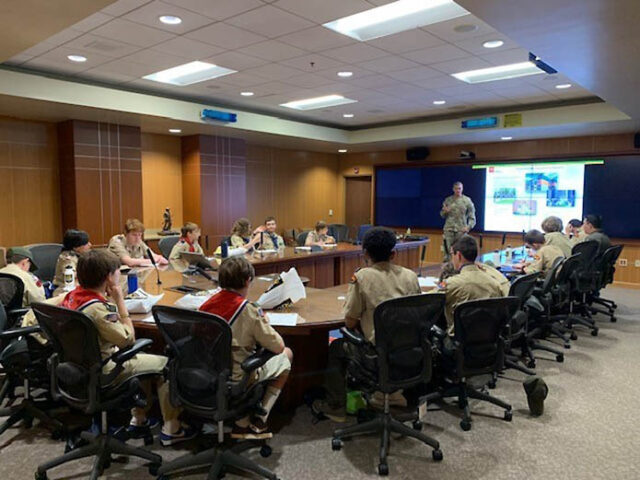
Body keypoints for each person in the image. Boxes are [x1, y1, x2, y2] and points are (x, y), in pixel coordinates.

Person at [26, 249, 196, 445]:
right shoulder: (97, 309)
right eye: (118, 271)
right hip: (103, 371)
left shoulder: (73, 297)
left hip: (76, 368)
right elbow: (127, 339)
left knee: (143, 356)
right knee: (166, 363)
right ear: (109, 277)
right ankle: (171, 428)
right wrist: (120, 302)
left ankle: (139, 418)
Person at [311, 227, 421, 422]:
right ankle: (392, 394)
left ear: (365, 254)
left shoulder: (362, 277)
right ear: (394, 253)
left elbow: (350, 321)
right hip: (410, 352)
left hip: (376, 356)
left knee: (337, 347)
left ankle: (335, 406)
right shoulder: (410, 276)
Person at [199, 256, 292, 439]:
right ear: (248, 280)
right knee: (287, 354)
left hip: (207, 372)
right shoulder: (247, 309)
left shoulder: (206, 305)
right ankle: (260, 419)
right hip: (238, 376)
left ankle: (242, 421)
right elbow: (278, 346)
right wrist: (263, 322)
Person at [438, 235, 504, 333]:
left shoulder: (449, 283)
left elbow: (431, 298)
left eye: (452, 254)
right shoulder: (495, 283)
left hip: (457, 342)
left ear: (459, 255)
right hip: (488, 338)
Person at [440, 181, 476, 262]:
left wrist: (468, 227)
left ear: (462, 189)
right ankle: (448, 269)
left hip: (461, 230)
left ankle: (460, 269)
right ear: (453, 189)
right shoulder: (448, 200)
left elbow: (472, 217)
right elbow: (442, 215)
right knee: (448, 252)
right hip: (449, 229)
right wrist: (445, 211)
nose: (458, 190)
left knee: (462, 251)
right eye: (456, 189)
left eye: (459, 188)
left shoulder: (467, 201)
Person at [52, 229, 92, 296]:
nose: (90, 245)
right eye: (86, 243)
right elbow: (71, 278)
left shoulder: (80, 255)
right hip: (64, 288)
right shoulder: (67, 259)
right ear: (75, 247)